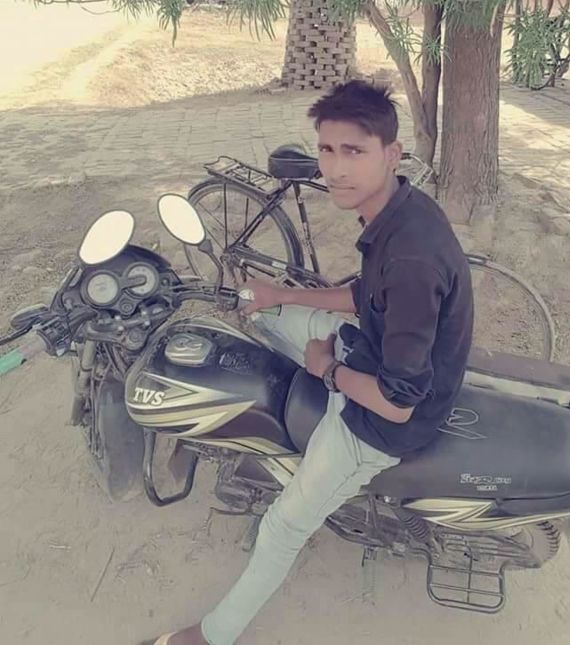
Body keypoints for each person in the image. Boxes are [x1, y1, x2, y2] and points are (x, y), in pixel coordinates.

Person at [147, 80, 474, 645]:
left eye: (354, 151)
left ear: (391, 154)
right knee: (264, 315)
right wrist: (280, 294)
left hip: (378, 423)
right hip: (363, 347)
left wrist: (326, 370)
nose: (336, 169)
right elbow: (364, 296)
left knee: (282, 528)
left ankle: (212, 636)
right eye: (327, 150)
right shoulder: (399, 211)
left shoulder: (412, 258)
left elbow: (397, 404)